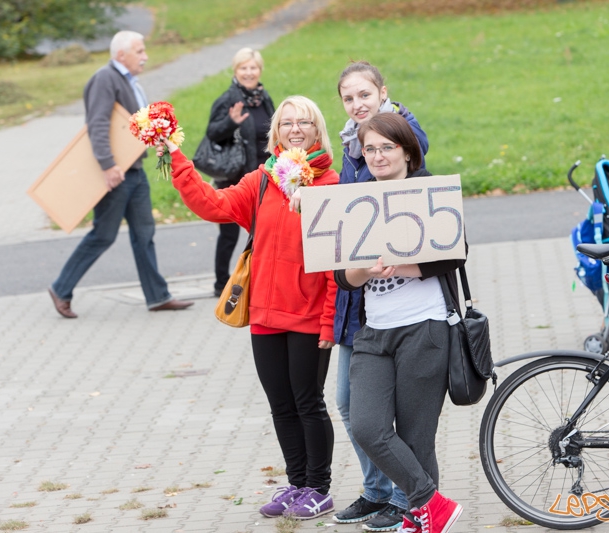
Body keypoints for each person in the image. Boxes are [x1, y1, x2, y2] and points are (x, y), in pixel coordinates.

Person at [165, 95, 339, 520]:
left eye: (305, 123)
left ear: (318, 131)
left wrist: (330, 322)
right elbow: (213, 205)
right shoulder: (262, 181)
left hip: (308, 316)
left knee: (308, 402)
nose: (295, 129)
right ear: (275, 132)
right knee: (280, 404)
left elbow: (337, 264)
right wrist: (175, 155)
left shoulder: (332, 185)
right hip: (264, 314)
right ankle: (296, 483)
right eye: (286, 123)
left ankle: (319, 487)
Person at [334, 113, 465, 533]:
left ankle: (422, 516)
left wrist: (401, 266)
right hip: (374, 332)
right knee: (368, 425)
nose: (376, 156)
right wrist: (365, 272)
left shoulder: (431, 191)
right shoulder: (356, 199)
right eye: (369, 149)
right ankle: (432, 503)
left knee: (415, 436)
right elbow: (341, 275)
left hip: (424, 329)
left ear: (407, 151)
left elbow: (455, 252)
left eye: (386, 147)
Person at [332, 60, 429, 532]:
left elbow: (446, 249)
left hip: (413, 317)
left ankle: (406, 499)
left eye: (363, 95)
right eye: (348, 98)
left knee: (404, 421)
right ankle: (379, 492)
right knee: (352, 407)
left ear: (382, 92)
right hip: (361, 307)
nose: (357, 104)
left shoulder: (402, 137)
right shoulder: (350, 150)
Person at [48, 30, 193, 318]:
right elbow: (98, 124)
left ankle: (157, 296)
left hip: (135, 170)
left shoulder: (129, 81)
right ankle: (61, 288)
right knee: (103, 234)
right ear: (121, 55)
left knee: (144, 233)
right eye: (139, 51)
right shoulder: (105, 78)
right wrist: (107, 165)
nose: (145, 56)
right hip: (117, 173)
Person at [204, 48, 275, 296]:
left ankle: (260, 277)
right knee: (229, 233)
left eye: (253, 67)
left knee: (264, 230)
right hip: (234, 179)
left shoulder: (263, 98)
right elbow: (212, 134)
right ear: (235, 71)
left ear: (260, 70)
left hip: (262, 176)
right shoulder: (227, 99)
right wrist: (230, 122)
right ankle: (220, 283)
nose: (249, 72)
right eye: (243, 68)